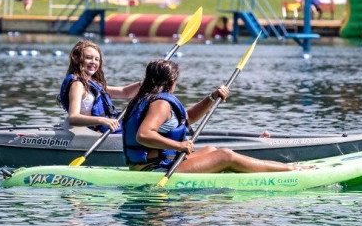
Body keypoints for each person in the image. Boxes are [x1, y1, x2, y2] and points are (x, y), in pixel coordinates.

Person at [122, 59, 306, 173]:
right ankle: (289, 169)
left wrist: (211, 98)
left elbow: (186, 118)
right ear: (171, 81)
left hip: (156, 164)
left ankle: (274, 167)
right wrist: (179, 145)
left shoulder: (148, 99)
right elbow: (144, 135)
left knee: (210, 149)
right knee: (225, 155)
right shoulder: (160, 104)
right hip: (154, 169)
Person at [59, 40, 140, 133]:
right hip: (89, 133)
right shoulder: (78, 85)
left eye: (97, 59)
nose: (94, 62)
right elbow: (73, 118)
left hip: (100, 131)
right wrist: (102, 120)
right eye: (89, 58)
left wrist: (144, 82)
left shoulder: (92, 84)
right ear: (76, 59)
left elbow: (125, 92)